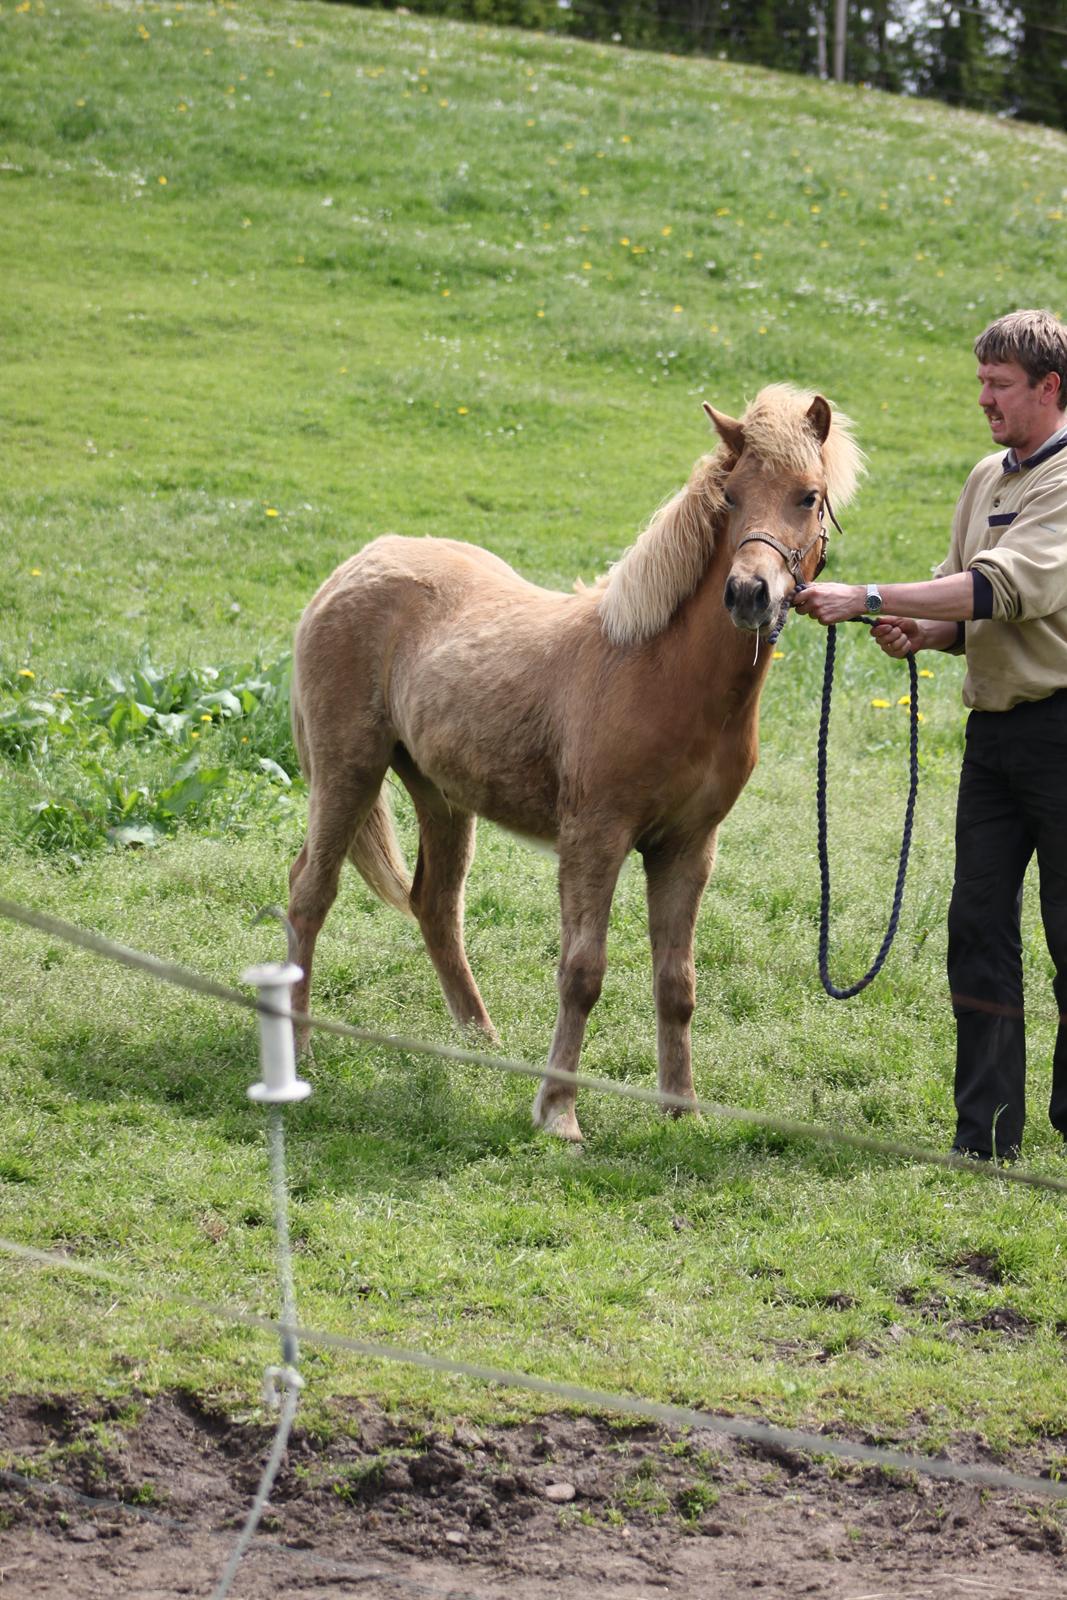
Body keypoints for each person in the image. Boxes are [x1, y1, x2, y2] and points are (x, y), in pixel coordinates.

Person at [793, 308, 1067, 1162]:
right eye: (979, 381)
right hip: (992, 739)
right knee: (976, 929)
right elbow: (961, 598)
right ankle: (982, 1136)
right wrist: (924, 631)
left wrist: (869, 597)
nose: (983, 399)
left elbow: (1002, 590)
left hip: (1061, 736)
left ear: (1050, 389)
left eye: (1000, 385)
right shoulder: (987, 476)